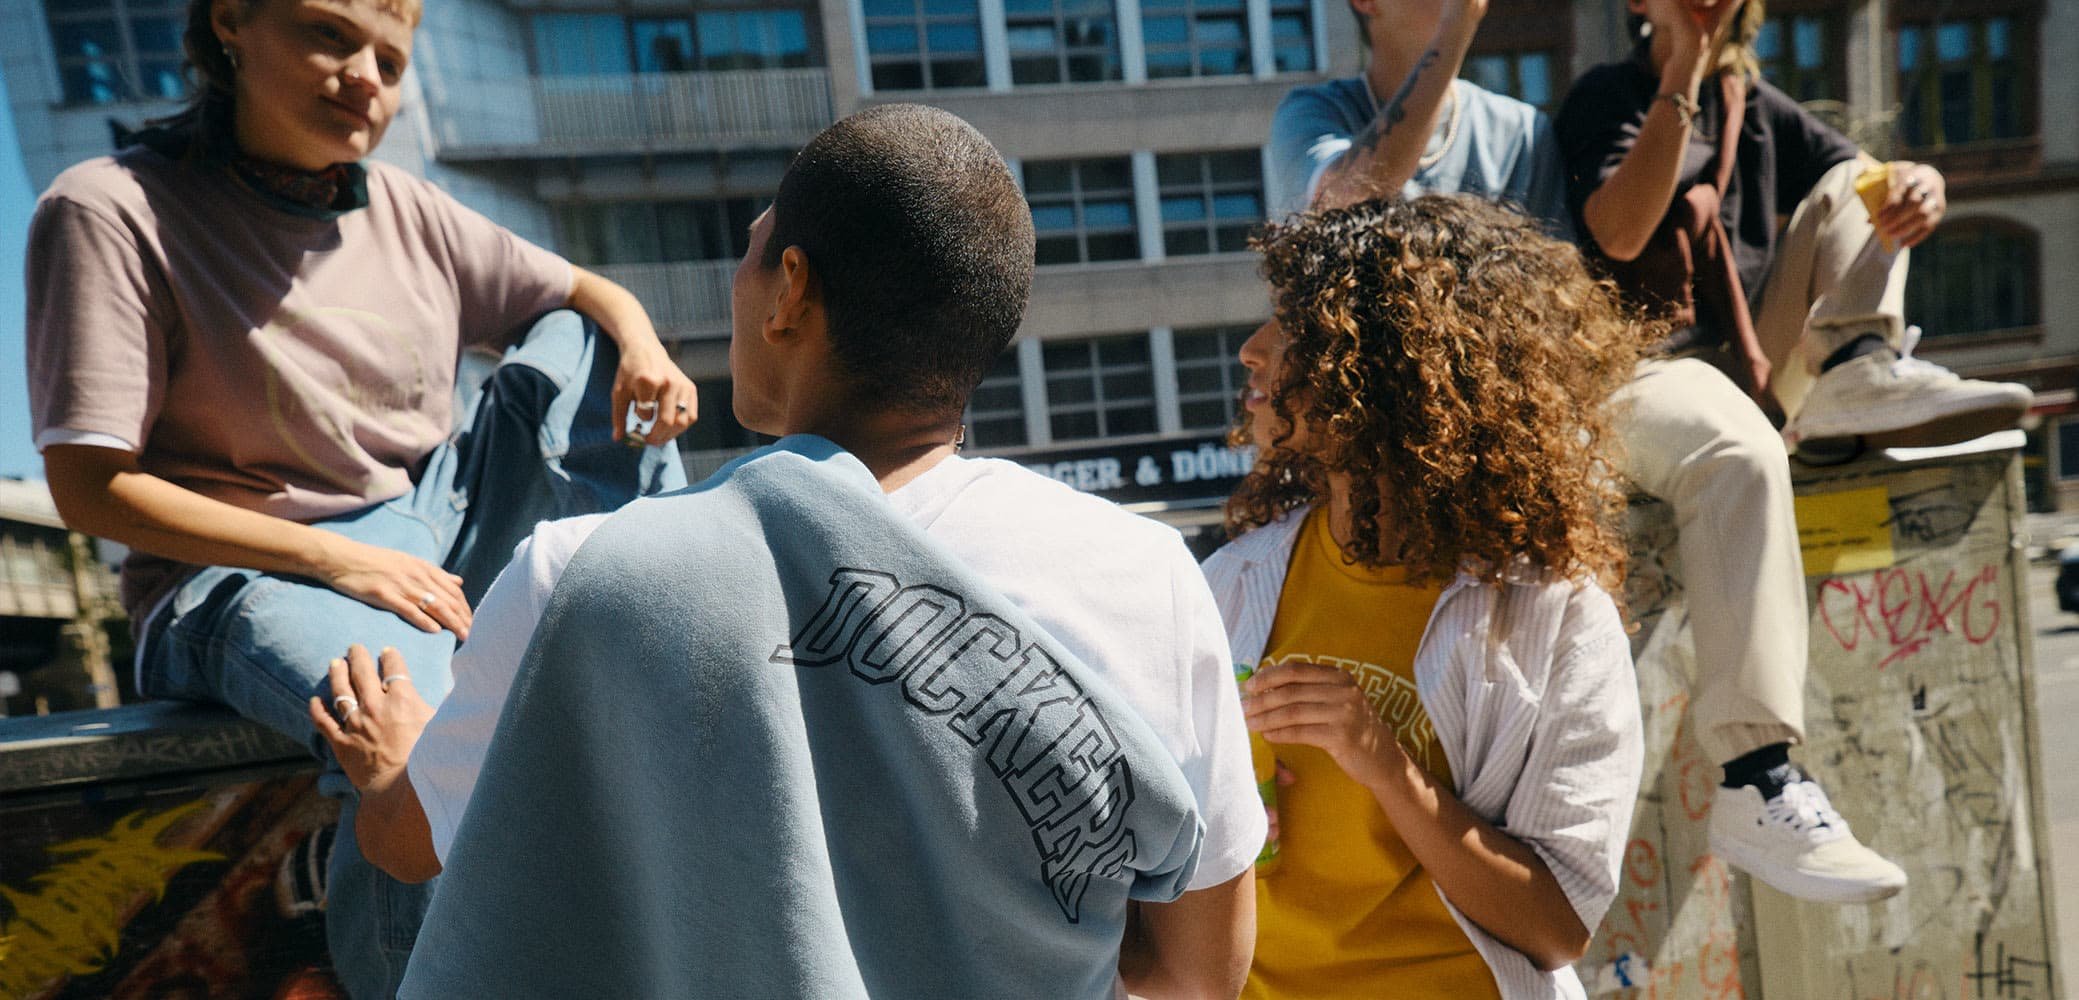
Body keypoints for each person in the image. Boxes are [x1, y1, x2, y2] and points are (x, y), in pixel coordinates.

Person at [310, 104, 1264, 998]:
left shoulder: (581, 573)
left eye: (755, 251)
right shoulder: (1145, 575)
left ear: (791, 292)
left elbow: (410, 844)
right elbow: (1199, 972)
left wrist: (392, 763)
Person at [23, 0, 691, 994]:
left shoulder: (408, 209)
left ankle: (647, 607)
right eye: (330, 35)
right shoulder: (112, 208)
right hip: (244, 573)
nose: (365, 77)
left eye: (389, 56)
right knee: (426, 746)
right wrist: (341, 558)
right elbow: (90, 487)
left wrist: (644, 349)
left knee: (580, 339)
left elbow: (591, 291)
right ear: (234, 22)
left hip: (430, 532)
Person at [1272, 0, 1909, 903]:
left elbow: (1564, 283)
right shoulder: (1314, 114)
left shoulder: (1519, 128)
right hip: (1401, 425)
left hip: (1545, 388)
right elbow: (1346, 200)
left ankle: (1758, 774)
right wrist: (1457, 28)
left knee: (1733, 439)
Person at [1205, 194, 1645, 999]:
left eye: (1294, 324)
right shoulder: (1229, 587)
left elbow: (1554, 928)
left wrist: (1383, 765)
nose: (1252, 351)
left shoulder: (1549, 615)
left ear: (1384, 366)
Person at [1558, 0, 2031, 453]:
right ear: (1639, 2)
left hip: (1754, 359)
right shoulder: (1605, 95)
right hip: (1645, 368)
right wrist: (1687, 60)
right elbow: (1620, 237)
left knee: (1864, 180)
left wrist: (1925, 182)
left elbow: (1867, 180)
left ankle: (1857, 367)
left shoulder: (1753, 105)